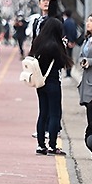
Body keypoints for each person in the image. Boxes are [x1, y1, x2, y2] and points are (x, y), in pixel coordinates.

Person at [29, 16, 69, 156]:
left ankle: (41, 145)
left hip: (40, 82)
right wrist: (63, 47)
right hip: (53, 82)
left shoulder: (38, 42)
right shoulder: (55, 46)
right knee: (54, 114)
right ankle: (52, 145)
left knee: (43, 113)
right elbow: (62, 64)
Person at [62, 10, 79, 77]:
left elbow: (64, 33)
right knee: (70, 57)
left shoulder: (65, 23)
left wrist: (68, 41)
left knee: (67, 57)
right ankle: (70, 71)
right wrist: (74, 41)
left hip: (67, 42)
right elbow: (75, 32)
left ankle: (68, 72)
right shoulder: (73, 22)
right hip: (72, 42)